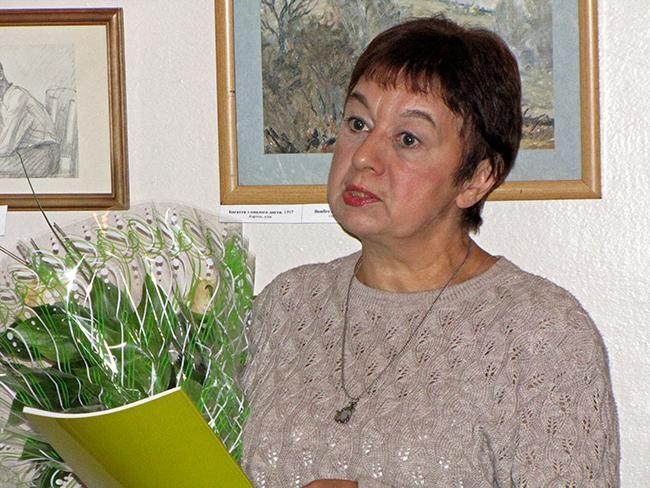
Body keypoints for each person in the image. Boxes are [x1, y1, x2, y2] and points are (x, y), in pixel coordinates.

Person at [241, 16, 619, 488]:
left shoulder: (543, 333)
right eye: (358, 123)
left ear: (477, 177)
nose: (363, 157)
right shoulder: (284, 304)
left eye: (408, 139)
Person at [0, 61, 60, 178]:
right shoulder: (3, 101)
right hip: (26, 153)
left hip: (45, 155)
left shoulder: (17, 98)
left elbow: (6, 147)